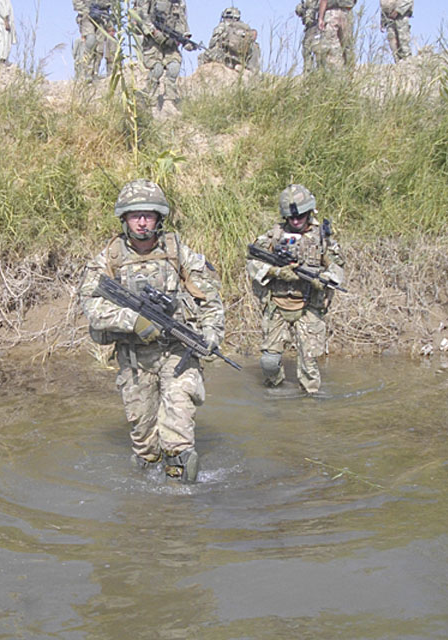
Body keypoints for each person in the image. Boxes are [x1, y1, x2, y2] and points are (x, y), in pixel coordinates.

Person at [79, 180, 224, 483]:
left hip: (177, 355)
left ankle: (177, 505)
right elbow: (91, 306)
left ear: (160, 218)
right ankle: (145, 509)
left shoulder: (178, 253)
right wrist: (133, 321)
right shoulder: (110, 259)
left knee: (178, 442)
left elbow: (210, 297)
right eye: (135, 215)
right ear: (125, 218)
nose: (142, 222)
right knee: (146, 448)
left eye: (148, 215)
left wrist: (211, 333)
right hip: (134, 362)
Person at [246, 185, 344, 394]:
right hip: (277, 306)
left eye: (300, 216)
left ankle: (310, 406)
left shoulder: (322, 239)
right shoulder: (273, 236)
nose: (296, 220)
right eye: (291, 217)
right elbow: (252, 262)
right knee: (269, 363)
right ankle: (276, 394)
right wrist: (276, 272)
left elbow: (337, 268)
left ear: (309, 212)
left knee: (309, 366)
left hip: (309, 306)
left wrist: (324, 279)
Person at [131, 0, 196, 112]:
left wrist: (185, 40)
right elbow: (141, 15)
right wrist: (154, 32)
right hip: (152, 41)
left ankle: (170, 99)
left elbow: (182, 21)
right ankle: (147, 97)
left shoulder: (179, 2)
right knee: (157, 69)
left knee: (174, 67)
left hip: (170, 42)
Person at [198, 7, 260, 74]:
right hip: (242, 61)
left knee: (201, 56)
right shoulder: (246, 28)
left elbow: (212, 44)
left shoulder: (221, 27)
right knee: (255, 46)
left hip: (224, 58)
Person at [317, 0, 355, 69]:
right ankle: (346, 74)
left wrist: (320, 18)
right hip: (343, 12)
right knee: (345, 47)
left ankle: (340, 73)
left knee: (334, 46)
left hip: (336, 12)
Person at [295, 0, 321, 72]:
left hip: (317, 29)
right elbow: (298, 11)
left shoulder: (318, 3)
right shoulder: (305, 4)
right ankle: (307, 71)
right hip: (308, 30)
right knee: (306, 51)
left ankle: (320, 71)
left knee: (317, 51)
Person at [0, 0, 16, 65]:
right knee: (3, 41)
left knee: (7, 42)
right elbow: (3, 11)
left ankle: (5, 58)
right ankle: (2, 59)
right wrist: (6, 22)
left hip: (7, 22)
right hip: (3, 23)